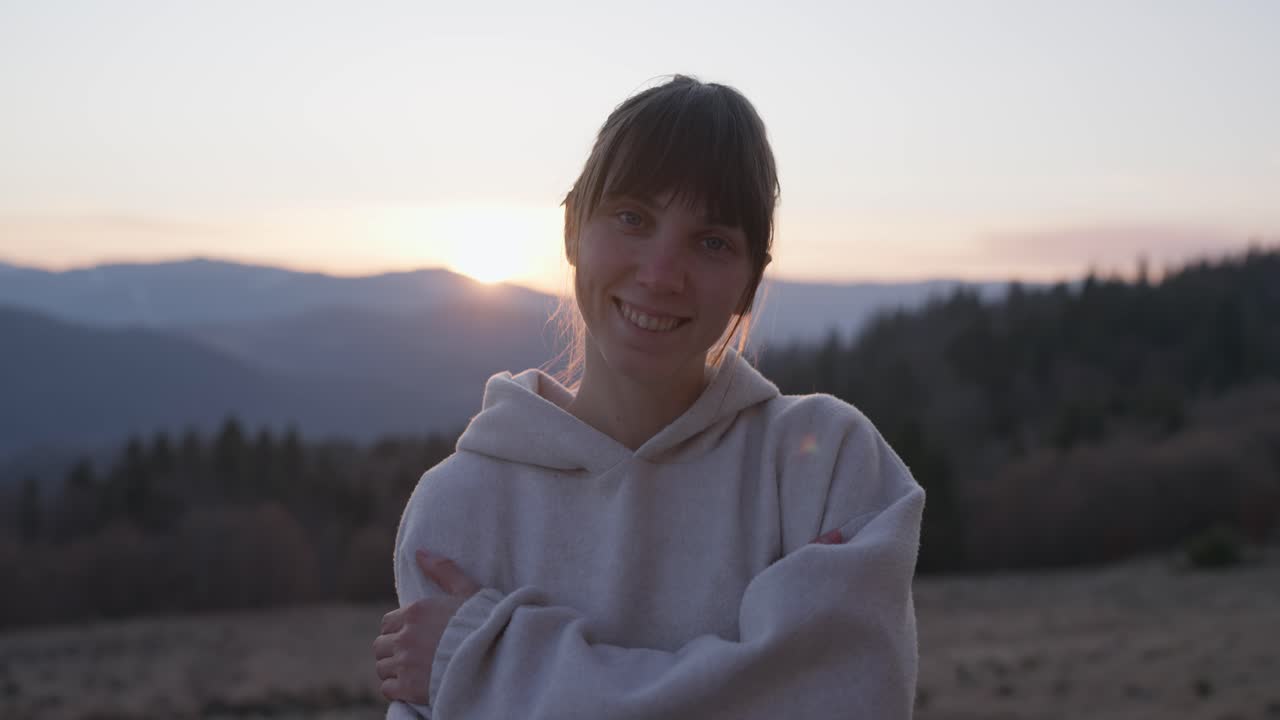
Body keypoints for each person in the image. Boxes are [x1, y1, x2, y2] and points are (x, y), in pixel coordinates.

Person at [373, 74, 925, 719]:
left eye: (712, 241)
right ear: (573, 229)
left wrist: (493, 667)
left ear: (750, 283)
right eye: (633, 218)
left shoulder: (821, 464)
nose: (661, 275)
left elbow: (844, 705)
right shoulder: (464, 502)